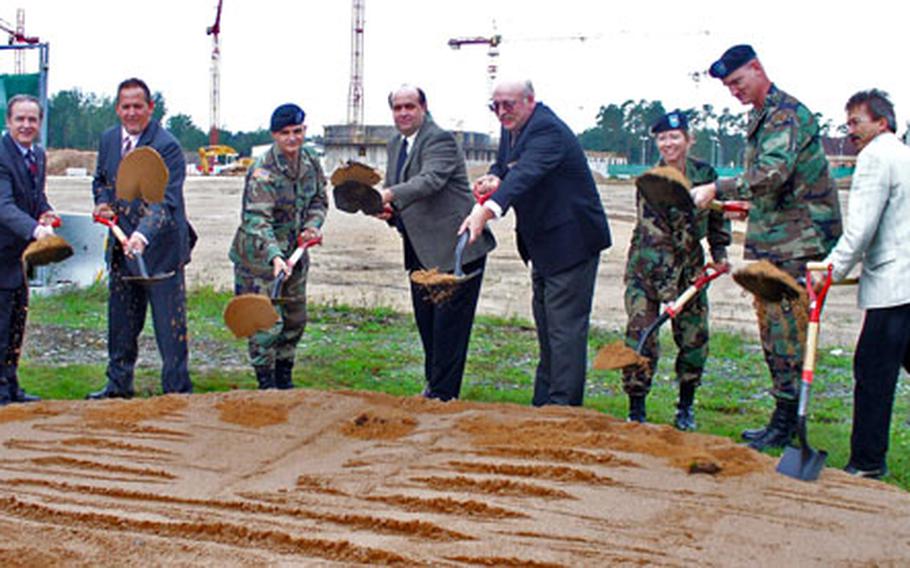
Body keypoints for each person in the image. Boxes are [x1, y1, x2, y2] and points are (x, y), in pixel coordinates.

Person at [691, 45, 842, 450]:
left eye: (738, 82)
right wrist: (746, 204)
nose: (734, 91)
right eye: (728, 87)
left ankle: (788, 418)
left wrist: (717, 188)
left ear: (758, 69)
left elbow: (772, 172)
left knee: (785, 329)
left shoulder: (786, 114)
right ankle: (783, 416)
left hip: (798, 242)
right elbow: (775, 184)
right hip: (775, 236)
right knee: (772, 326)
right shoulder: (762, 116)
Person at [461, 79, 611, 407]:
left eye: (508, 105)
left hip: (571, 242)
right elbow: (506, 167)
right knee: (547, 328)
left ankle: (563, 411)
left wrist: (485, 212)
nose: (501, 112)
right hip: (542, 244)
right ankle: (544, 405)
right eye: (495, 106)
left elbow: (525, 174)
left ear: (530, 101)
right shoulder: (513, 127)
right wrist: (492, 176)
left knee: (564, 332)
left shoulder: (547, 131)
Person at [375, 85, 495, 401]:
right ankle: (435, 390)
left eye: (409, 106)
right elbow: (398, 188)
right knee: (428, 327)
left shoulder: (439, 139)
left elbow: (430, 181)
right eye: (397, 107)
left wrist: (388, 195)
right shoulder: (395, 143)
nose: (403, 113)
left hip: (457, 250)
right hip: (420, 251)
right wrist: (387, 211)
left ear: (424, 108)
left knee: (449, 332)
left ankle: (443, 399)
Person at [817, 90, 910, 479]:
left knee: (872, 369)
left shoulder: (875, 157)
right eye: (848, 122)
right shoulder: (903, 153)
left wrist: (829, 271)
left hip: (895, 285)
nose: (850, 130)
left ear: (881, 122)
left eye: (857, 121)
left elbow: (862, 227)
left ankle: (867, 463)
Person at [622, 110, 730, 428]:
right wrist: (668, 290)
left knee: (694, 338)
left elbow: (716, 218)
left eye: (674, 137)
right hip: (648, 269)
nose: (668, 143)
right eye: (662, 138)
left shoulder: (705, 173)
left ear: (688, 139)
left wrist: (719, 253)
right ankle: (636, 409)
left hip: (691, 272)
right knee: (642, 335)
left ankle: (685, 407)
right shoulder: (650, 181)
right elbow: (655, 233)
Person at [89, 78, 195, 399]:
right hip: (123, 253)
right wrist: (103, 202)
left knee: (169, 331)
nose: (132, 113)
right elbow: (102, 181)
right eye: (126, 106)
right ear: (117, 108)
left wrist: (141, 236)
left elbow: (164, 202)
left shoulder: (167, 147)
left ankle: (176, 394)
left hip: (161, 253)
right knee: (121, 325)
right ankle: (118, 387)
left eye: (138, 106)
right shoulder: (109, 140)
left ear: (150, 108)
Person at [229, 103, 327, 389]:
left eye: (297, 131)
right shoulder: (263, 171)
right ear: (274, 135)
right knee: (265, 323)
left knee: (295, 317)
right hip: (260, 259)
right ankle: (266, 383)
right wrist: (274, 256)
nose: (292, 138)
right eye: (285, 133)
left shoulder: (310, 160)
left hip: (294, 255)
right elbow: (257, 220)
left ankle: (284, 379)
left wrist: (313, 226)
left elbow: (320, 200)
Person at [0, 94, 57, 405]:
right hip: (1, 254)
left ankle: (11, 387)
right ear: (8, 122)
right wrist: (37, 230)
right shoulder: (1, 154)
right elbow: (4, 207)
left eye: (32, 119)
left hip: (19, 259)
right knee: (0, 325)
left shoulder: (38, 156)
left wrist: (46, 213)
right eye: (20, 119)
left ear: (39, 123)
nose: (26, 125)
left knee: (16, 325)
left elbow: (35, 199)